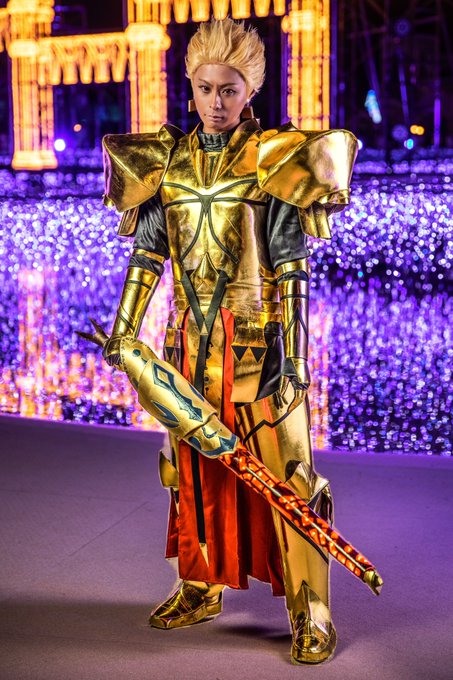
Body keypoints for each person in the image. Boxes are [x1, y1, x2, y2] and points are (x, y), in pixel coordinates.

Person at [101, 18, 357, 664]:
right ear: (190, 87)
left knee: (290, 475)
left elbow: (291, 265)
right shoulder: (165, 161)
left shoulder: (272, 159)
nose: (216, 102)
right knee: (191, 469)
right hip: (188, 342)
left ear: (250, 92)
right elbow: (148, 254)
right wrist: (126, 327)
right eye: (206, 88)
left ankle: (311, 611)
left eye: (229, 89)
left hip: (259, 343)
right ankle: (199, 584)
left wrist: (296, 358)